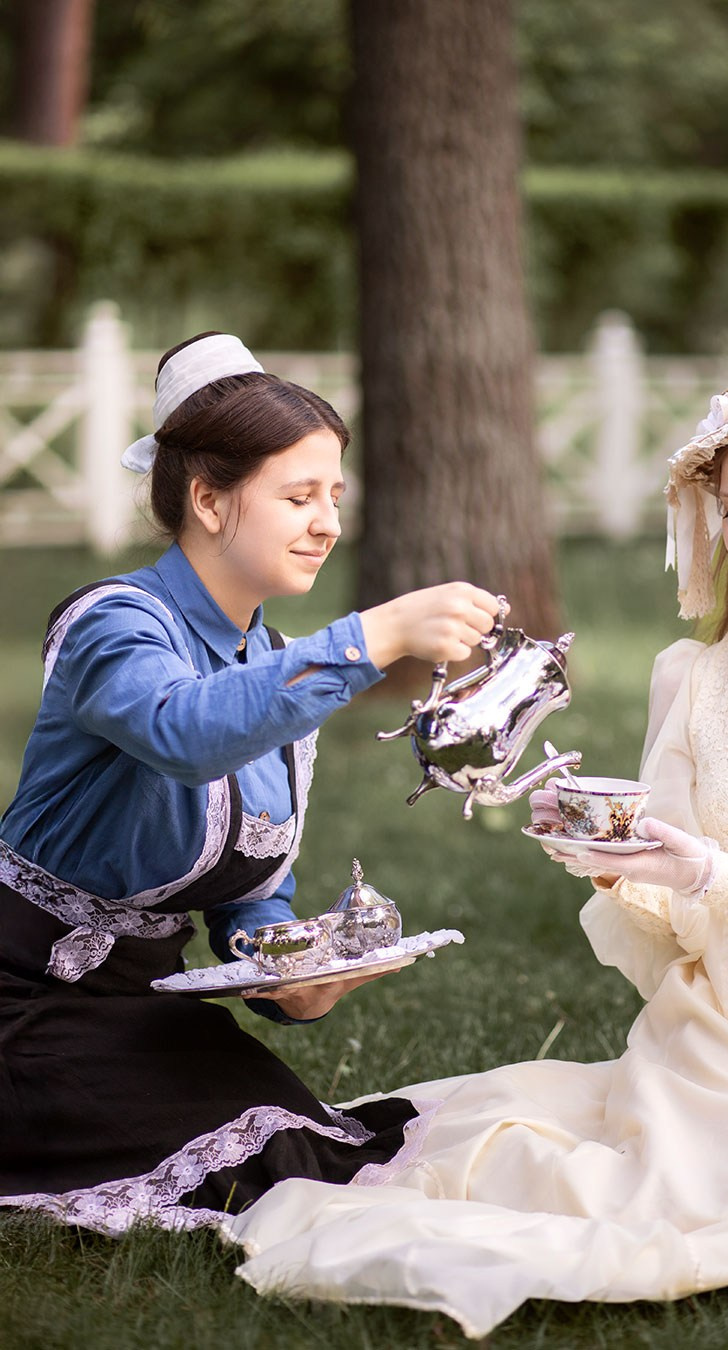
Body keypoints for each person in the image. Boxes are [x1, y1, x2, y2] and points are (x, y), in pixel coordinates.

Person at [218, 361, 728, 1340]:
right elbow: (672, 908)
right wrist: (618, 864)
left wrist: (710, 871)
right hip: (722, 1018)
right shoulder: (690, 677)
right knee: (617, 1171)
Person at [0, 332, 502, 1235]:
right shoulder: (111, 624)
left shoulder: (275, 663)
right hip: (21, 1002)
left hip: (136, 1010)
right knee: (275, 1172)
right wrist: (377, 634)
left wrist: (289, 970)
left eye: (334, 497)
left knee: (324, 1150)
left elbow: (249, 888)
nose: (328, 524)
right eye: (299, 497)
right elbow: (183, 731)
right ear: (207, 499)